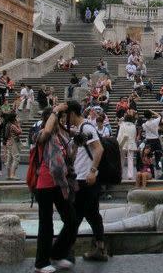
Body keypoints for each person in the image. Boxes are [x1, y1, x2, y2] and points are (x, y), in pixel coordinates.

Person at [59, 101, 108, 262]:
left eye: (66, 115)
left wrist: (93, 171)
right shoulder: (80, 129)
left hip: (86, 178)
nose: (66, 118)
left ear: (72, 113)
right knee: (93, 215)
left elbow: (99, 148)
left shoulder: (87, 128)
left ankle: (67, 252)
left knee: (74, 216)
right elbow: (78, 153)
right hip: (82, 177)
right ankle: (100, 249)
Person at [33, 104, 78, 273]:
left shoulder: (62, 137)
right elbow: (45, 133)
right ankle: (41, 263)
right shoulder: (40, 133)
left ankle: (58, 254)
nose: (62, 120)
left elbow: (69, 160)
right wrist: (55, 110)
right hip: (44, 184)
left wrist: (76, 145)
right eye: (59, 117)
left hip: (61, 183)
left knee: (71, 220)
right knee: (46, 224)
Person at [117, 114, 138, 180]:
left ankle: (120, 174)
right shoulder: (134, 126)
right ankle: (130, 175)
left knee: (121, 160)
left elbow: (119, 135)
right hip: (131, 143)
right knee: (130, 159)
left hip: (123, 143)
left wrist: (118, 143)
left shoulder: (122, 125)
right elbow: (134, 136)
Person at [3, 113, 22, 180]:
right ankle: (12, 175)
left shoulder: (7, 125)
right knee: (16, 157)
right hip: (13, 142)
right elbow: (19, 132)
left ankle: (8, 175)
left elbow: (5, 135)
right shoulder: (13, 126)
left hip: (9, 141)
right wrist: (18, 125)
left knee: (10, 158)